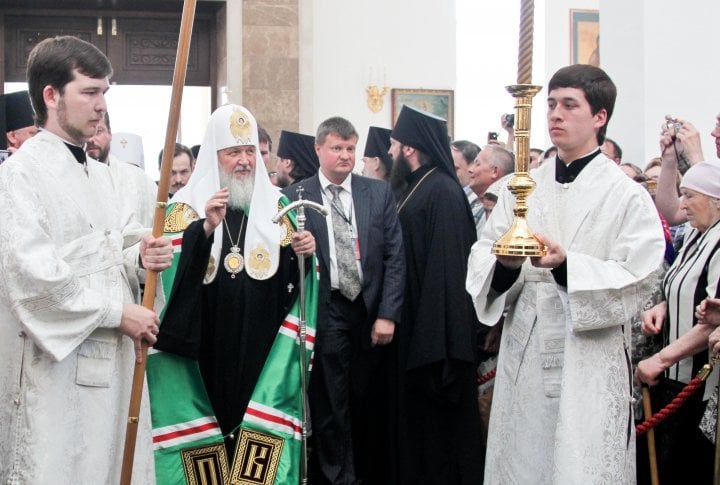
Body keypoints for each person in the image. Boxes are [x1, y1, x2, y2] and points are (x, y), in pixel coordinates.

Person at [466, 64, 665, 484]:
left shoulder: (625, 194)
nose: (554, 114)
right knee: (522, 460)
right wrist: (506, 266)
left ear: (600, 117)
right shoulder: (522, 187)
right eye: (551, 104)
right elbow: (485, 251)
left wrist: (567, 266)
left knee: (580, 463)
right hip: (527, 349)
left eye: (569, 105)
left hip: (587, 357)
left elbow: (640, 276)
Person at [0, 35, 173, 484]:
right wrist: (119, 313)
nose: (101, 106)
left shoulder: (105, 177)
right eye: (90, 92)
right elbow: (33, 279)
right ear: (51, 96)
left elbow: (111, 250)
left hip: (110, 364)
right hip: (52, 374)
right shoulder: (18, 177)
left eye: (105, 93)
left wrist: (141, 256)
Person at [153, 104, 316, 459]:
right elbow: (167, 276)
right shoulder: (184, 208)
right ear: (214, 157)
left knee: (253, 435)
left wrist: (305, 253)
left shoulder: (280, 206)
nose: (244, 161)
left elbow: (298, 285)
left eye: (250, 151)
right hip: (203, 349)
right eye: (233, 153)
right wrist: (205, 228)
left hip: (261, 349)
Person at [283, 117, 404, 485]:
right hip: (328, 306)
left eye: (350, 149)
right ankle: (338, 477)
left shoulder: (377, 192)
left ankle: (368, 470)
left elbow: (395, 256)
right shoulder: (297, 195)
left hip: (368, 308)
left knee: (365, 395)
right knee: (332, 399)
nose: (345, 156)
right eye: (336, 148)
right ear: (318, 149)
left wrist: (388, 314)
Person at [389, 105, 482, 484]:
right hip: (413, 326)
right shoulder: (416, 186)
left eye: (395, 146)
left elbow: (447, 273)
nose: (391, 153)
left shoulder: (442, 190)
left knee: (439, 441)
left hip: (434, 341)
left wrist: (434, 346)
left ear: (409, 148)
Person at [635, 161, 720, 484]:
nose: (681, 205)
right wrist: (663, 306)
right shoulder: (698, 235)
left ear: (716, 200)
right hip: (672, 379)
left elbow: (714, 316)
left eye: (689, 196)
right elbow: (687, 287)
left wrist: (660, 358)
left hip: (697, 381)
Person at [86, 112, 158, 227]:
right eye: (86, 132)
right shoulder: (72, 177)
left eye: (98, 131)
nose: (91, 139)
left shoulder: (140, 179)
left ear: (109, 133)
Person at [467, 144, 514, 237]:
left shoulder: (508, 209)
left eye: (477, 164)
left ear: (494, 171)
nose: (470, 169)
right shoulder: (475, 206)